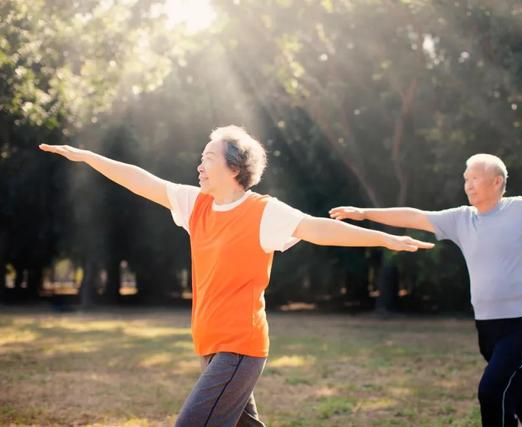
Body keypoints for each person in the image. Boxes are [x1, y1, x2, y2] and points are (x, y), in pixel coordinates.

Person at [40, 125, 433, 427]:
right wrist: (88, 156)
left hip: (240, 346)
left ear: (234, 168)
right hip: (209, 343)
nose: (199, 164)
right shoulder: (196, 205)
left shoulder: (263, 211)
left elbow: (319, 229)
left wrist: (385, 238)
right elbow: (143, 181)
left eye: (208, 157)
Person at [330, 153, 522, 427]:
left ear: (496, 182)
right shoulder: (460, 219)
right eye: (465, 179)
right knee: (518, 391)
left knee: (492, 391)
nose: (468, 184)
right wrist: (365, 213)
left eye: (475, 178)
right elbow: (413, 215)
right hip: (487, 325)